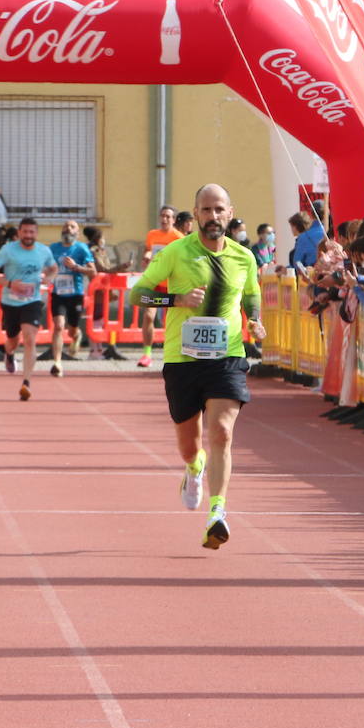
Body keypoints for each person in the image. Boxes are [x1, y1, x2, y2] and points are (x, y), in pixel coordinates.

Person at [130, 183, 266, 550]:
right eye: (206, 210)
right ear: (196, 214)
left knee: (221, 431)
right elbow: (137, 293)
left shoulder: (244, 257)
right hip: (182, 360)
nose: (213, 217)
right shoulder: (176, 252)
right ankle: (193, 469)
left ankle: (217, 511)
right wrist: (175, 299)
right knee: (190, 447)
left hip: (228, 358)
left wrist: (254, 320)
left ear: (230, 212)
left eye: (219, 209)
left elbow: (252, 296)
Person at [0, 217, 58, 401]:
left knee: (29, 338)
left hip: (32, 301)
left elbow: (54, 268)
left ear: (36, 233)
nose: (28, 235)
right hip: (10, 301)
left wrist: (49, 277)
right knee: (12, 340)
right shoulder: (8, 250)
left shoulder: (43, 250)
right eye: (25, 232)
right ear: (19, 233)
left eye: (31, 232)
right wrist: (9, 283)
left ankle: (26, 383)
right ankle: (9, 354)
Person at [49, 219, 95, 376]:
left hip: (75, 294)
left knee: (72, 328)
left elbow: (93, 271)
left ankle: (76, 335)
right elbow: (46, 266)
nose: (68, 229)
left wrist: (76, 266)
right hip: (58, 294)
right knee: (59, 326)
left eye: (72, 227)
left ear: (77, 232)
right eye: (66, 226)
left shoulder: (81, 249)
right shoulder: (53, 248)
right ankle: (57, 362)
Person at [139, 206, 184, 367]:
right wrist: (146, 257)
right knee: (148, 316)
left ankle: (174, 353)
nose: (164, 219)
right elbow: (148, 251)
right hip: (155, 282)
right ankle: (147, 354)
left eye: (168, 216)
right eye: (162, 216)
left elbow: (182, 260)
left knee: (172, 321)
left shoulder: (178, 237)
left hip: (172, 284)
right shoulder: (152, 235)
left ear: (173, 220)